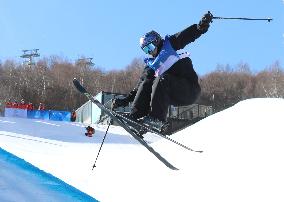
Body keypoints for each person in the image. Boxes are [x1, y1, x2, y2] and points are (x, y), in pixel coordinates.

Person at [112, 12, 213, 133]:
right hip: (173, 94)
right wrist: (125, 100)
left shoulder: (171, 44)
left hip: (189, 90)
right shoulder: (151, 65)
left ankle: (156, 119)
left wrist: (200, 27)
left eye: (149, 48)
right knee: (147, 82)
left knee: (162, 79)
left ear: (157, 41)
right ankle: (136, 117)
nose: (149, 52)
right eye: (145, 50)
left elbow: (187, 35)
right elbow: (140, 87)